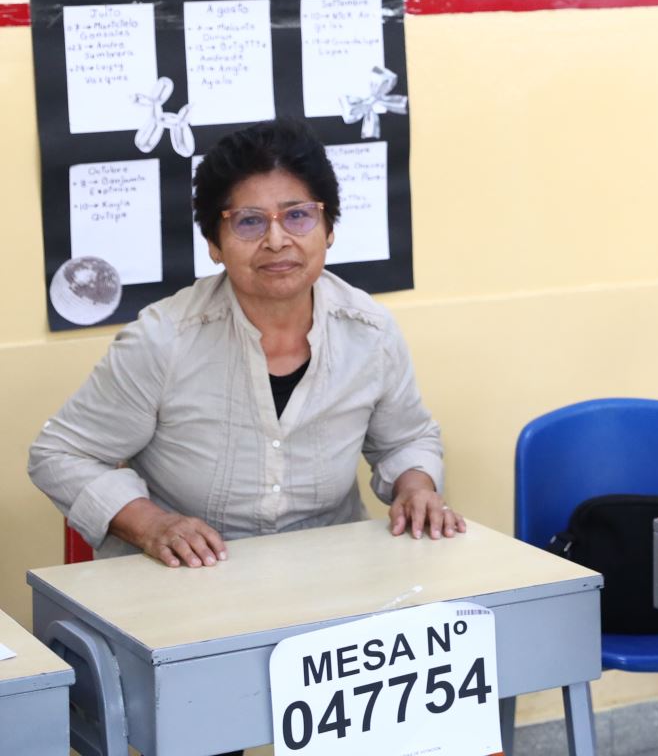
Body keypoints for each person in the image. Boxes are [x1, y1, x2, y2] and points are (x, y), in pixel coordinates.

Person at [29, 118, 462, 569]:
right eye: (249, 222)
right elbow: (59, 454)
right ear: (215, 244)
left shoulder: (370, 332)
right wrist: (152, 525)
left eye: (298, 215)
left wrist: (416, 488)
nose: (277, 241)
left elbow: (405, 440)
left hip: (329, 580)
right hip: (185, 583)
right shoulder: (163, 340)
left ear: (328, 228)